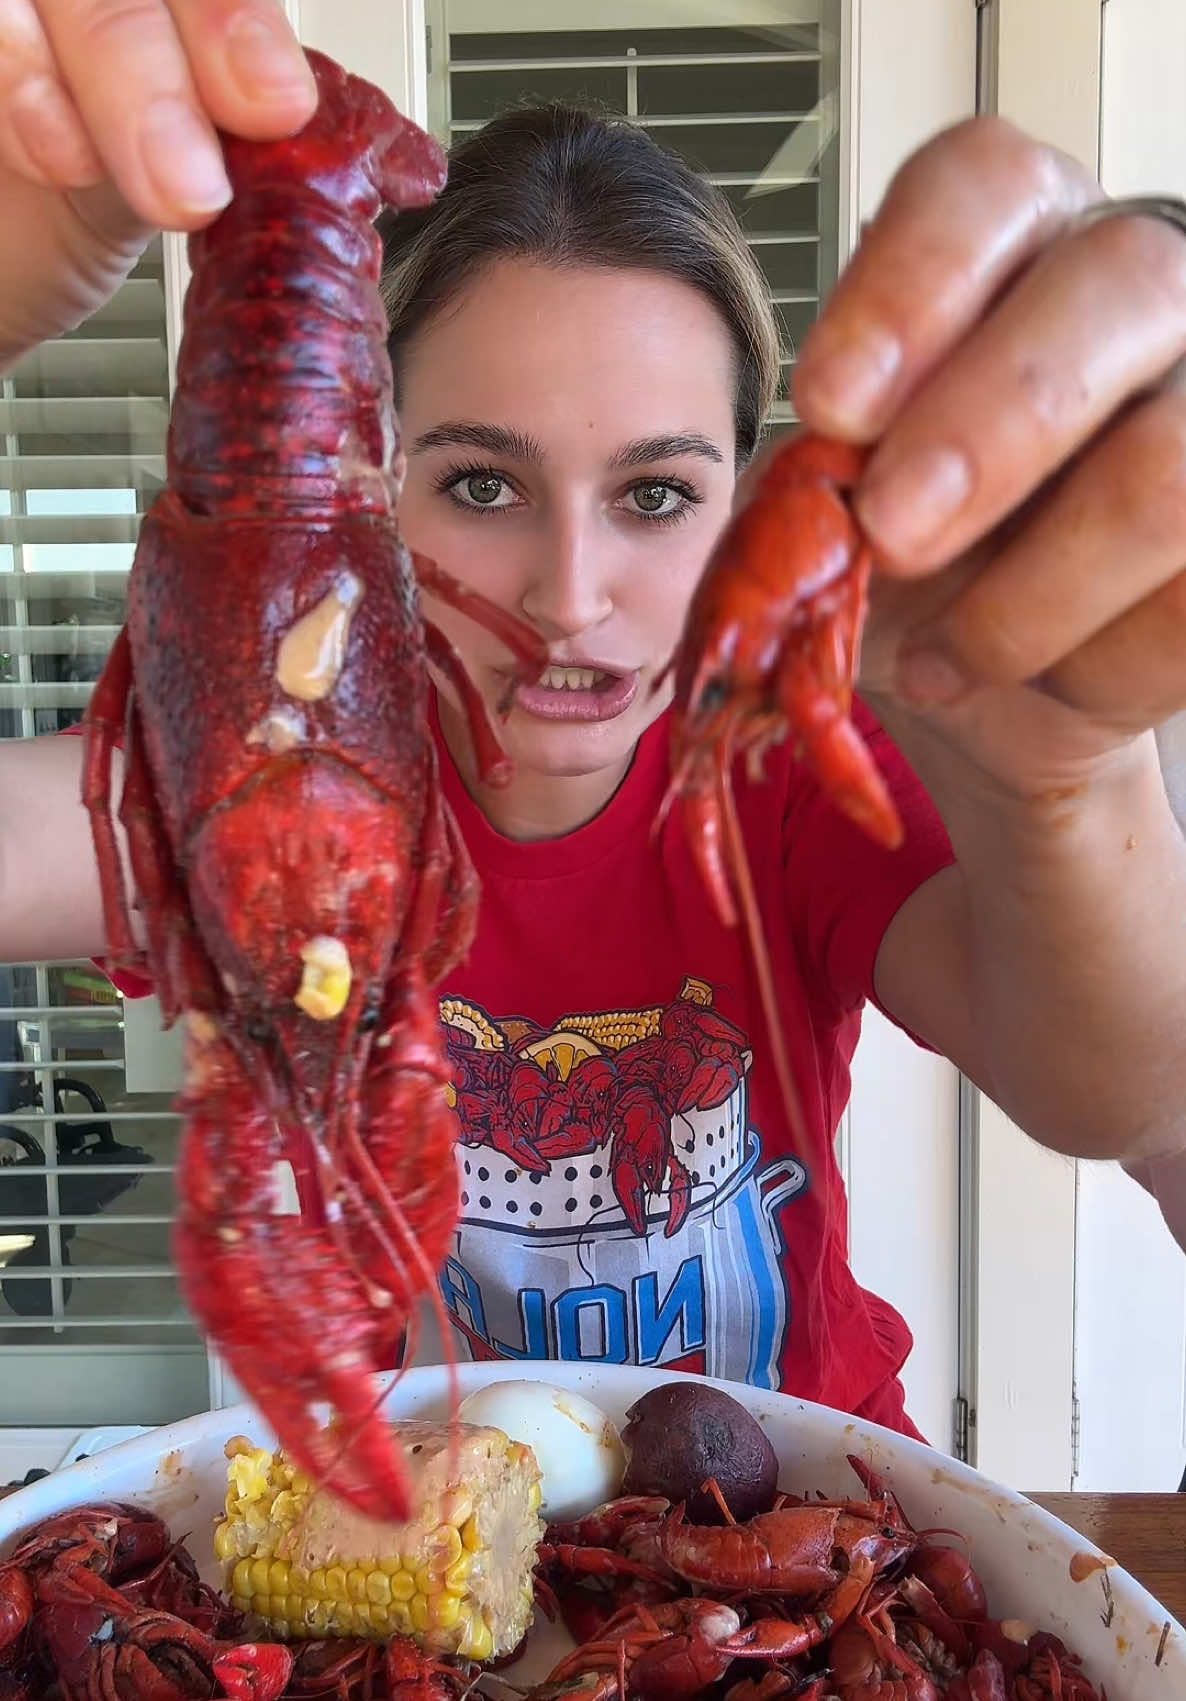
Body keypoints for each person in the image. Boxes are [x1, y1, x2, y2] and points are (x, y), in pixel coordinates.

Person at [3, 4, 1186, 1442]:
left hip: (797, 1520)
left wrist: (1062, 775)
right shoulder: (268, 788)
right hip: (419, 1539)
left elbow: (1128, 1095)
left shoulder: (782, 775)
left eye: (654, 495)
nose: (570, 599)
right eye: (483, 487)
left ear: (741, 507)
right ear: (373, 491)